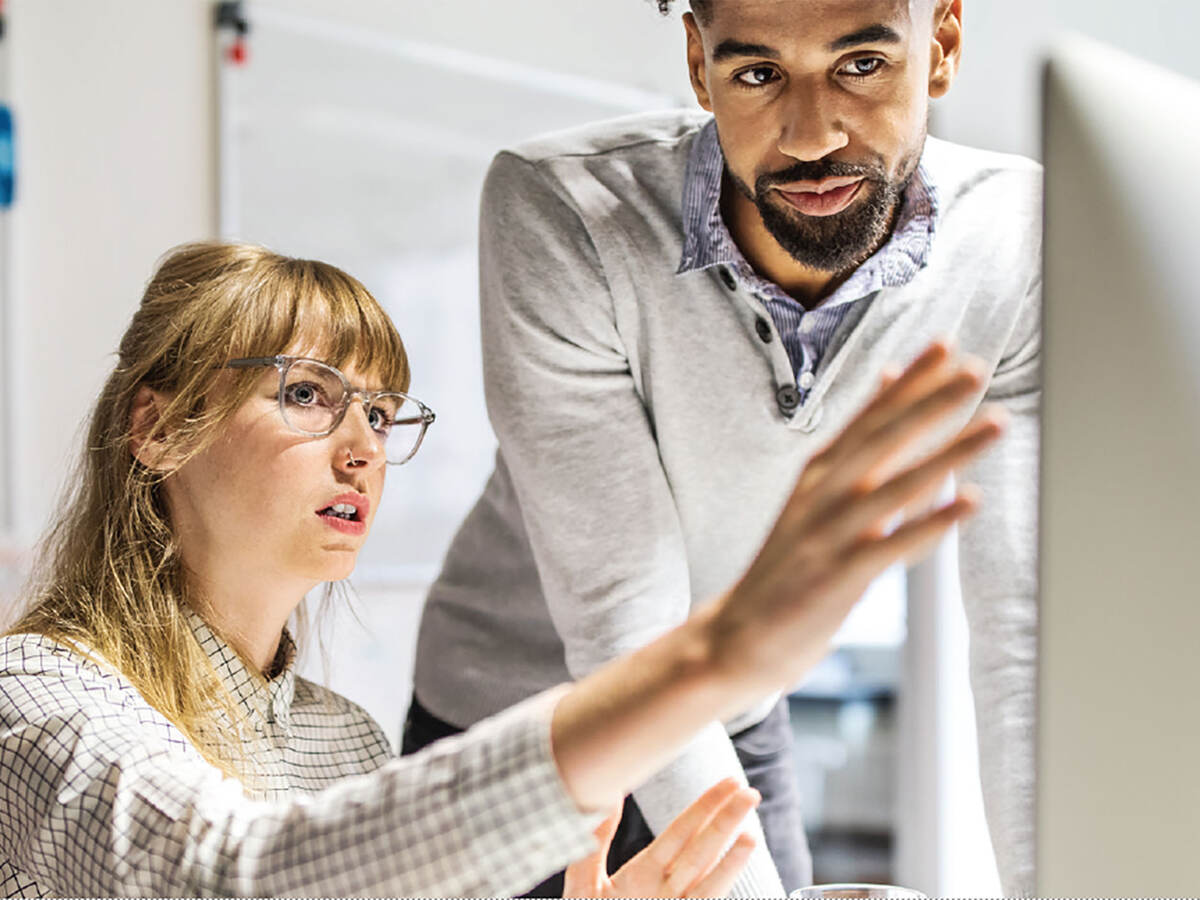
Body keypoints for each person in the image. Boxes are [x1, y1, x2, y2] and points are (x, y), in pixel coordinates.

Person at [0, 242, 1001, 897]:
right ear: (161, 425)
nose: (362, 449)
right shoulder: (37, 703)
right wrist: (707, 658)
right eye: (310, 394)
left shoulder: (336, 736)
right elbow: (237, 881)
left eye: (382, 415)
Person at [406, 0, 1040, 895]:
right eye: (757, 74)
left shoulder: (1016, 244)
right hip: (514, 735)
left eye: (860, 66)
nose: (813, 136)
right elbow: (626, 628)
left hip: (737, 721)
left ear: (940, 44)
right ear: (699, 64)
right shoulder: (568, 213)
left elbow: (1027, 636)